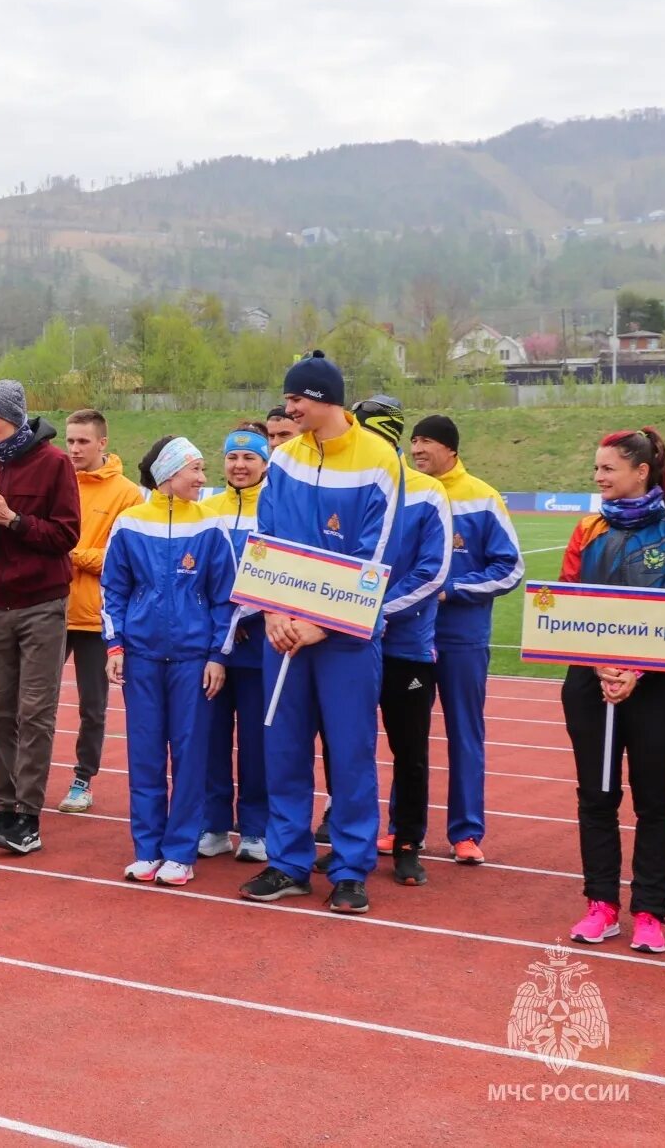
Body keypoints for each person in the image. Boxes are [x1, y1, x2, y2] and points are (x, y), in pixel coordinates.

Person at [238, 352, 399, 916]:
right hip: (283, 632)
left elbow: (376, 556)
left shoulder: (380, 460)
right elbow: (265, 541)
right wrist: (274, 613)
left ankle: (351, 869)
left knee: (351, 755)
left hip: (346, 640)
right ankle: (288, 863)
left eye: (296, 400)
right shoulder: (284, 461)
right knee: (282, 750)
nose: (288, 409)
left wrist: (319, 623)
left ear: (324, 398)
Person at [557, 427, 665, 955]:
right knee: (596, 795)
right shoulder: (586, 530)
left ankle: (649, 912)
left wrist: (634, 671)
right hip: (589, 683)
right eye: (596, 469)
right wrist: (600, 666)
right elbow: (566, 604)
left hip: (654, 687)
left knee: (654, 801)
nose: (597, 478)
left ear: (641, 472)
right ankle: (601, 905)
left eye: (607, 469)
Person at [102, 435, 233, 885]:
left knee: (191, 755)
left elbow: (224, 599)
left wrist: (217, 656)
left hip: (193, 661)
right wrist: (115, 646)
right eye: (194, 469)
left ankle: (181, 851)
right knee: (145, 756)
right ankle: (148, 849)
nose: (202, 478)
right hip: (141, 657)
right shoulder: (129, 524)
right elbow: (113, 590)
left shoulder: (211, 525)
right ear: (168, 474)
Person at [0, 380, 80, 857]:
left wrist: (13, 520)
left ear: (17, 417)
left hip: (42, 604)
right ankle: (4, 807)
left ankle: (28, 815)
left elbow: (66, 535)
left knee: (35, 713)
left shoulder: (54, 463)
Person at [411, 414, 524, 870]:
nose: (416, 449)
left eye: (426, 442)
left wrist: (452, 589)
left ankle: (466, 832)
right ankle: (405, 828)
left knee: (464, 732)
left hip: (462, 638)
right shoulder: (409, 492)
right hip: (412, 636)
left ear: (451, 449)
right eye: (413, 441)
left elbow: (510, 569)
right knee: (408, 735)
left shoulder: (482, 497)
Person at [351, 397, 452, 889]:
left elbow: (433, 575)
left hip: (405, 647)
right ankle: (353, 838)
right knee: (347, 747)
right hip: (347, 642)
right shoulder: (351, 487)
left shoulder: (429, 494)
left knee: (409, 750)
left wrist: (371, 609)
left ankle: (408, 842)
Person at [59, 408, 143, 814]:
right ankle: (27, 777)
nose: (74, 449)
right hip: (51, 608)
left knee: (92, 706)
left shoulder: (126, 493)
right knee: (29, 701)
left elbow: (120, 558)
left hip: (95, 616)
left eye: (82, 441)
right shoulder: (56, 480)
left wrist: (71, 553)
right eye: (70, 440)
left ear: (102, 443)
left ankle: (82, 778)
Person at [199, 425, 271, 862]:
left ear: (265, 463)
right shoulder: (207, 510)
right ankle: (213, 825)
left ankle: (256, 829)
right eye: (232, 458)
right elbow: (200, 578)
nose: (239, 466)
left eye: (249, 458)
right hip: (213, 649)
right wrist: (223, 621)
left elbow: (284, 573)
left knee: (257, 745)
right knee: (211, 738)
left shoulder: (278, 508)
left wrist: (246, 616)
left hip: (262, 647)